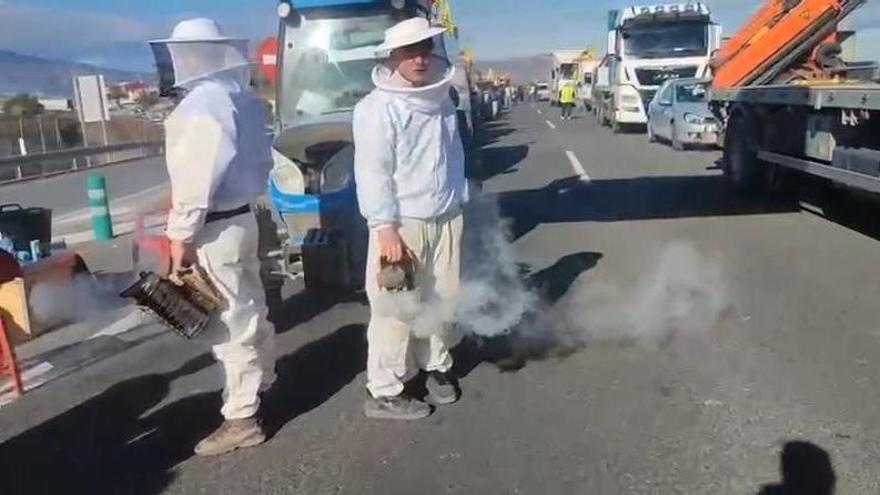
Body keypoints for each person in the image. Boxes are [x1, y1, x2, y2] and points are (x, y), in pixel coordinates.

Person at [149, 18, 276, 455]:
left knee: (229, 324)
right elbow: (263, 164)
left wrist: (180, 237)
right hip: (243, 221)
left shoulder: (201, 106)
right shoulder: (244, 100)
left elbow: (195, 182)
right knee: (251, 310)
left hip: (214, 228)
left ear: (192, 55)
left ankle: (242, 418)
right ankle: (260, 384)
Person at [353, 17, 468, 420]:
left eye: (425, 49)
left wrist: (458, 202)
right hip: (403, 224)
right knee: (395, 308)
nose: (419, 58)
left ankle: (435, 365)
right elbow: (373, 171)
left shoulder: (441, 98)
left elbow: (452, 157)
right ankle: (384, 389)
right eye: (409, 51)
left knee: (442, 299)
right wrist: (384, 227)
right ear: (393, 56)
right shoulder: (376, 108)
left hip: (445, 216)